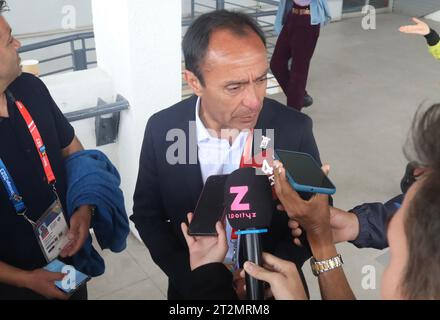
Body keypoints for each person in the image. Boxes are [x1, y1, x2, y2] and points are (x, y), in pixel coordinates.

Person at [131, 10, 327, 299]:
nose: (254, 101)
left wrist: (271, 275)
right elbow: (148, 216)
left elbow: (318, 214)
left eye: (260, 80)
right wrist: (194, 278)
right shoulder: (164, 130)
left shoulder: (292, 128)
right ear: (194, 81)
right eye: (234, 87)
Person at [183, 104, 440, 300]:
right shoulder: (167, 126)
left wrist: (207, 280)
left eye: (396, 256)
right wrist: (330, 235)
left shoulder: (292, 126)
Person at [0, 1, 94, 300]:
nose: (18, 44)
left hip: (67, 258)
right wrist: (26, 280)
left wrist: (84, 207)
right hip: (14, 286)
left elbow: (72, 150)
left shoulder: (31, 88)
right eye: (8, 40)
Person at [271, 0, 331, 110]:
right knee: (276, 64)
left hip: (308, 20)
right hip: (292, 16)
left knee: (298, 71)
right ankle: (300, 97)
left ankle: (293, 113)